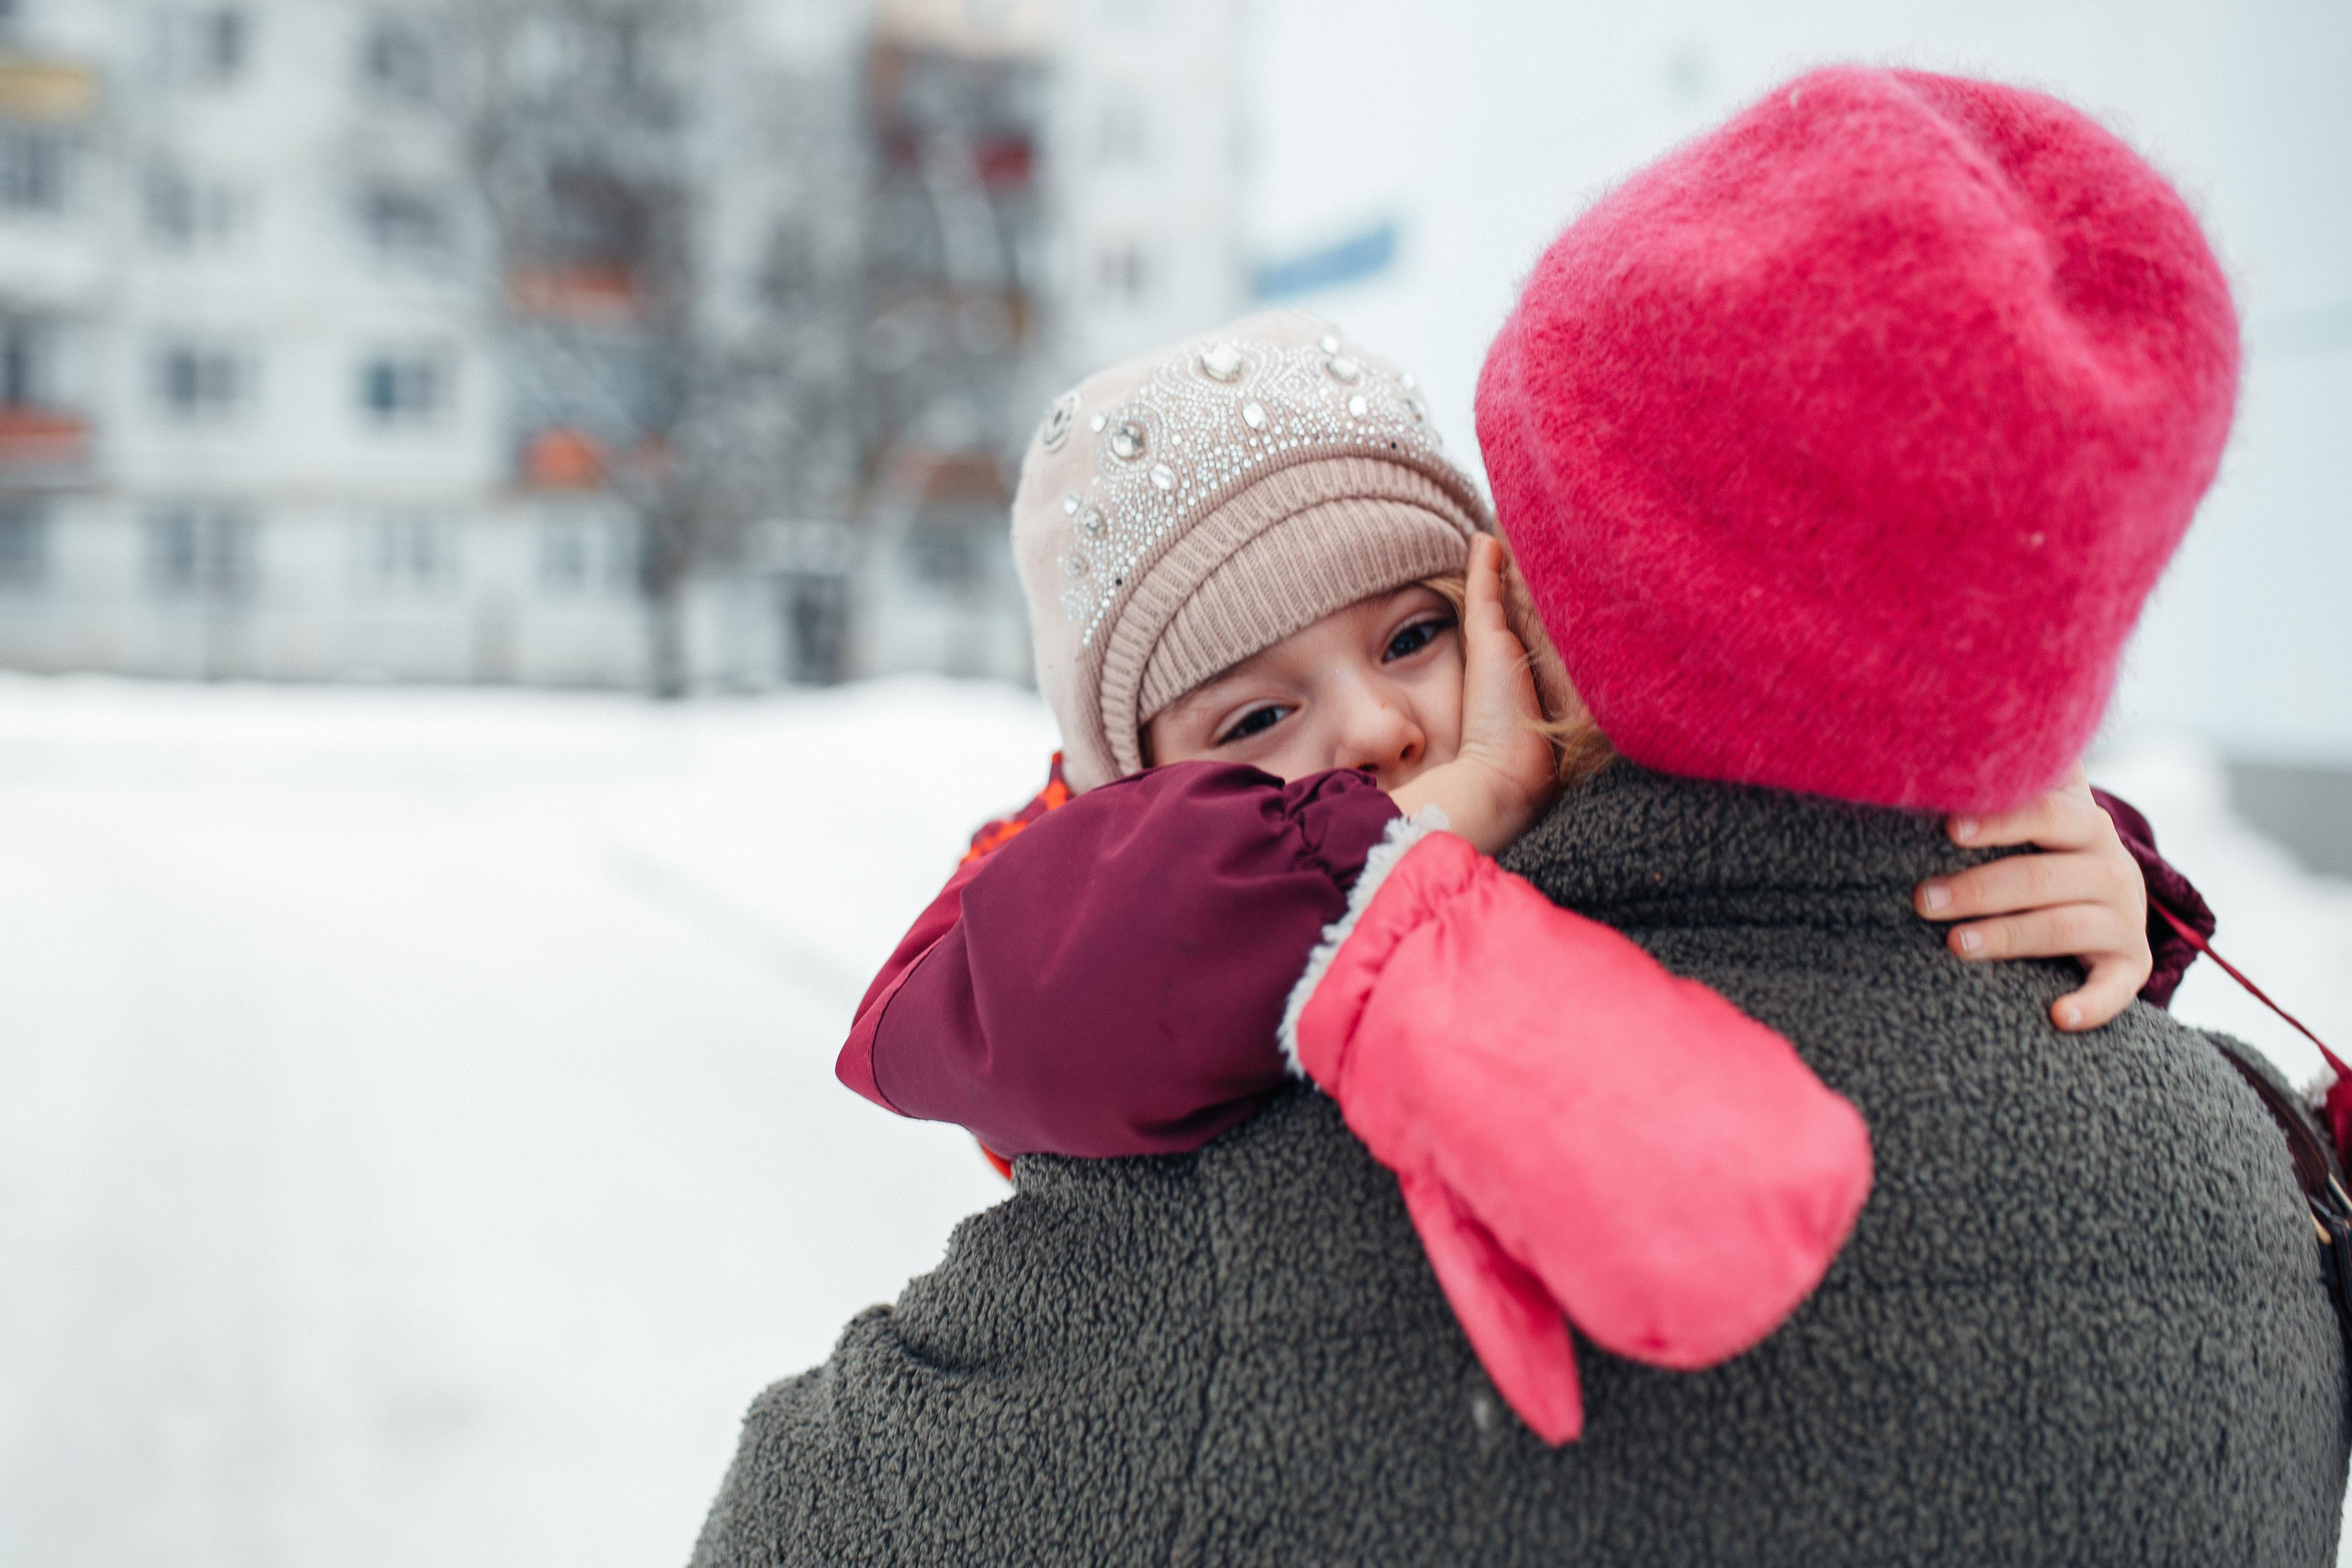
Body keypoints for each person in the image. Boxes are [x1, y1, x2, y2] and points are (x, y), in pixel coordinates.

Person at [693, 69, 2344, 1567]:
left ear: (1532, 598)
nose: (1380, 732)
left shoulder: (1187, 1274)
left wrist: (2108, 871)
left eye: (1419, 634)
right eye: (1255, 719)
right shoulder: (2267, 1201)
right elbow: (1021, 978)